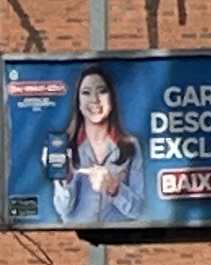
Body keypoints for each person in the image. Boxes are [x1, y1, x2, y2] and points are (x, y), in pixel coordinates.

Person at [42, 64, 144, 224]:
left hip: (118, 239)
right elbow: (62, 210)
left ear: (112, 98)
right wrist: (64, 179)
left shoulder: (130, 146)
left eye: (102, 91)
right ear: (79, 102)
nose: (95, 100)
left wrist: (114, 188)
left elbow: (137, 210)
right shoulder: (63, 146)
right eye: (86, 93)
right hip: (76, 242)